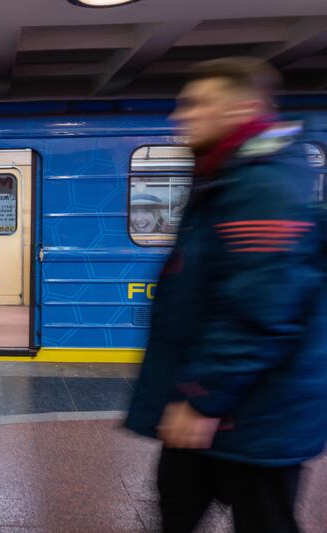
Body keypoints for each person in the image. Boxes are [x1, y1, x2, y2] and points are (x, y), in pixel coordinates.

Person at [125, 58, 327, 533]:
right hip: (227, 409)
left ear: (244, 109)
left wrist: (202, 397)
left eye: (199, 104)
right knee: (176, 508)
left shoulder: (262, 186)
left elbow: (262, 307)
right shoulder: (228, 176)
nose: (182, 116)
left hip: (253, 416)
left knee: (262, 520)